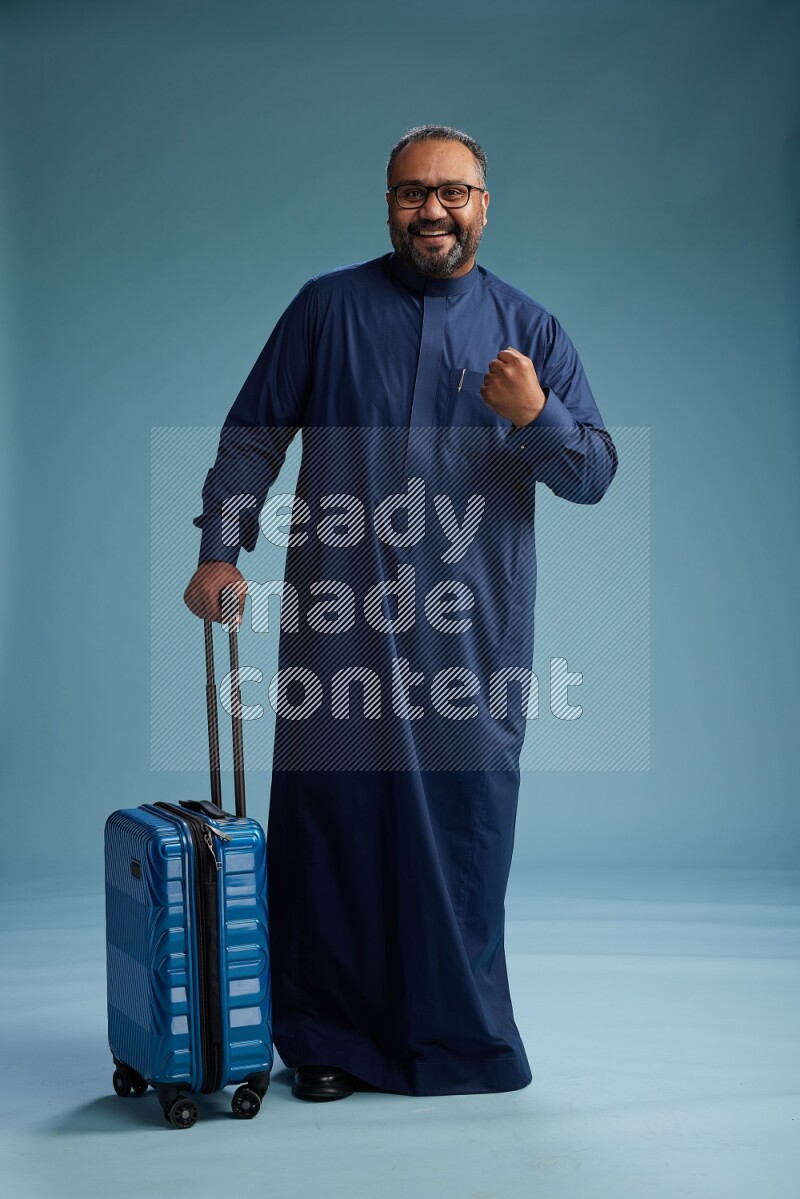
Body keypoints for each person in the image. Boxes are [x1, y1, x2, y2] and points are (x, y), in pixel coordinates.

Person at [184, 124, 618, 1101]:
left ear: (483, 203)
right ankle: (327, 1039)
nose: (432, 210)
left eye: (452, 192)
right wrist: (219, 549)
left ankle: (457, 1040)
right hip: (336, 625)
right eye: (411, 193)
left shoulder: (526, 330)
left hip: (472, 636)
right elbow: (253, 435)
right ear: (388, 202)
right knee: (334, 830)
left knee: (461, 833)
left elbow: (590, 470)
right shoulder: (325, 309)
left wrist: (532, 413)